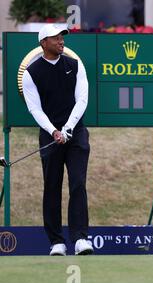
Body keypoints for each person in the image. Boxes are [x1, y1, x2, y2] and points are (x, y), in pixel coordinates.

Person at [22, 24, 93, 256]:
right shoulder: (32, 72)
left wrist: (68, 128)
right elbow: (35, 109)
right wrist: (54, 131)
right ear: (44, 43)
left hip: (76, 133)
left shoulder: (74, 64)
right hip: (49, 135)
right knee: (52, 187)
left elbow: (82, 99)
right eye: (56, 38)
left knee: (78, 184)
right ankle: (56, 242)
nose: (61, 41)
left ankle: (80, 239)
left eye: (62, 37)